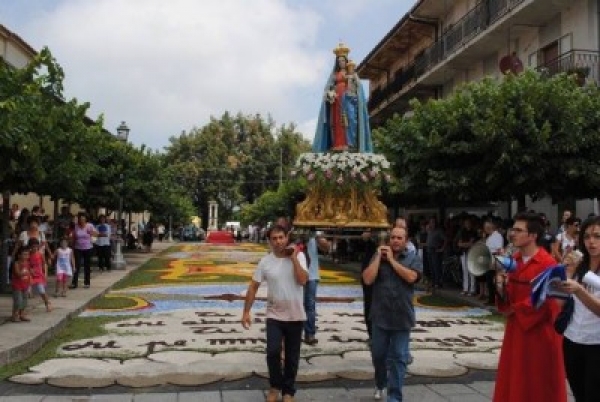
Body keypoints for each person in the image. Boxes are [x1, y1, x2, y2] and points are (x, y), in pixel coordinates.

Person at [493, 212, 566, 402]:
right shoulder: (513, 261)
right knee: (514, 378)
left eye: (518, 230)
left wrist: (516, 309)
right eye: (513, 229)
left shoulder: (548, 264)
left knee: (538, 384)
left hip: (539, 333)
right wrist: (500, 285)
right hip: (516, 330)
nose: (512, 233)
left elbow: (549, 302)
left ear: (533, 236)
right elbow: (506, 299)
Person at [241, 225, 308, 402]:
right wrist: (246, 311)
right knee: (273, 351)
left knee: (292, 356)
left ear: (287, 237)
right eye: (274, 239)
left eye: (281, 238)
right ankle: (275, 385)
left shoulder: (299, 256)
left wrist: (293, 258)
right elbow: (253, 286)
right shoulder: (265, 262)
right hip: (275, 315)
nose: (278, 242)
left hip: (295, 314)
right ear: (269, 241)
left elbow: (303, 281)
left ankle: (288, 391)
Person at [362, 226, 422, 401]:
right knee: (378, 355)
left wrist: (392, 261)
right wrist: (379, 259)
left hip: (402, 317)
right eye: (393, 237)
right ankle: (380, 383)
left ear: (406, 241)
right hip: (380, 316)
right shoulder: (378, 256)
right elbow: (367, 279)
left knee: (399, 358)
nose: (395, 241)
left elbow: (411, 277)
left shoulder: (413, 258)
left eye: (399, 238)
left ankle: (394, 397)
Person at [557, 215, 600, 402]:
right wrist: (566, 273)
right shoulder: (579, 263)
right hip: (572, 338)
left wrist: (580, 290)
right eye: (587, 236)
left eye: (598, 236)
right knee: (579, 394)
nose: (591, 241)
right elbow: (559, 301)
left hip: (597, 343)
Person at [313, 43, 373, 153]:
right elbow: (328, 87)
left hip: (348, 100)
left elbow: (358, 87)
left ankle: (350, 144)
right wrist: (329, 94)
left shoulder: (352, 73)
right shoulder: (334, 75)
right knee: (335, 122)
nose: (341, 63)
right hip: (336, 101)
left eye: (343, 61)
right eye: (339, 61)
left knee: (350, 120)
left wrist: (353, 83)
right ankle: (337, 144)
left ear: (346, 61)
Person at [303, 231, 330, 346]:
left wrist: (318, 237)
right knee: (294, 303)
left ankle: (309, 333)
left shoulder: (316, 232)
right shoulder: (293, 228)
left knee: (310, 305)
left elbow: (326, 248)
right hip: (294, 272)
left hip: (311, 274)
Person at [70, 212, 98, 289]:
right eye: (80, 219)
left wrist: (91, 232)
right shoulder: (76, 227)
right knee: (77, 266)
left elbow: (96, 234)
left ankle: (87, 282)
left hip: (88, 248)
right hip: (78, 248)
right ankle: (74, 283)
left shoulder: (90, 226)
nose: (82, 220)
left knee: (87, 266)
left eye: (83, 219)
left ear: (86, 219)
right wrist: (72, 246)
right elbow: (74, 237)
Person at [456, 217, 479, 296]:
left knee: (471, 271)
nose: (467, 225)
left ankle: (472, 289)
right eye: (466, 223)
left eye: (468, 223)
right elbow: (459, 243)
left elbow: (471, 244)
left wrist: (464, 244)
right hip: (464, 253)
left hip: (471, 253)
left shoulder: (473, 232)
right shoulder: (462, 232)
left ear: (471, 224)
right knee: (465, 271)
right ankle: (465, 288)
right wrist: (466, 244)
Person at [27, 238, 51, 312]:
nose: (34, 248)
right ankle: (22, 309)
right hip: (30, 276)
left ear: (38, 246)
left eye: (35, 246)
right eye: (32, 246)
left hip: (39, 276)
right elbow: (27, 265)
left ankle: (47, 304)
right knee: (27, 292)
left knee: (41, 291)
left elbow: (44, 264)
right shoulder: (28, 254)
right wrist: (30, 270)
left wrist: (45, 274)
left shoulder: (40, 254)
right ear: (30, 246)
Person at [11, 247, 31, 322]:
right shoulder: (16, 263)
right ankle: (15, 315)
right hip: (17, 285)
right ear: (19, 255)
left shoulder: (27, 263)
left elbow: (29, 274)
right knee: (18, 301)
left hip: (25, 285)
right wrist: (25, 273)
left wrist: (30, 282)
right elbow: (18, 273)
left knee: (24, 300)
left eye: (27, 254)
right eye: (24, 254)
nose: (26, 256)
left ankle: (22, 314)